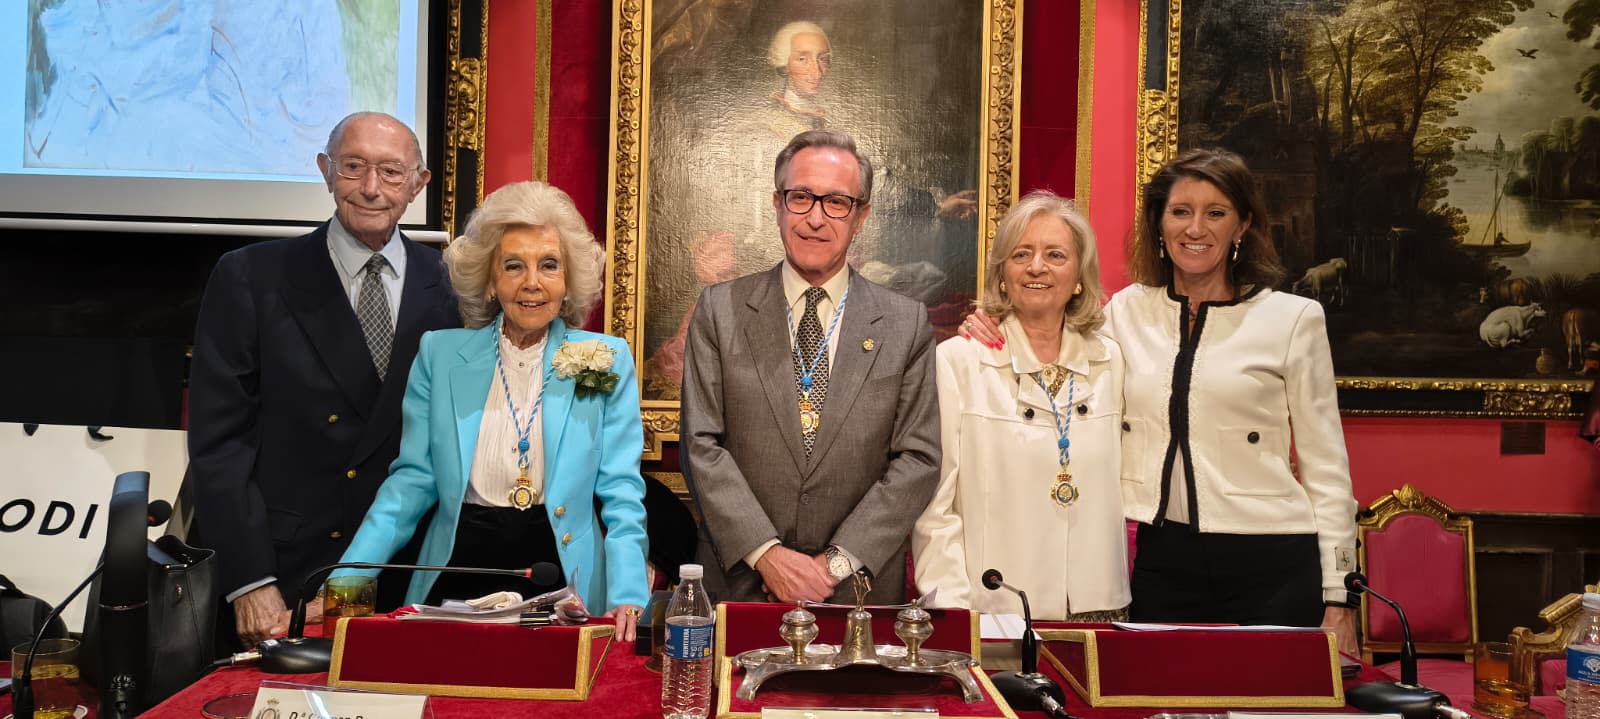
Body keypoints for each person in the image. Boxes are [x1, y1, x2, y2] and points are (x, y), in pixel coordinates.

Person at [961, 149, 1359, 653]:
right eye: (1180, 211)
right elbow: (1050, 335)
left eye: (1216, 213)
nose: (1196, 228)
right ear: (1159, 224)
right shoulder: (1123, 313)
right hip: (1164, 561)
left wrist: (1340, 597)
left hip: (1274, 560)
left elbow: (1328, 468)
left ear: (1242, 225)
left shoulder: (1293, 319)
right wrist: (992, 321)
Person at [189, 112, 459, 647]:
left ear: (419, 184)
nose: (371, 188)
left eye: (391, 172)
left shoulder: (454, 286)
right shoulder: (251, 276)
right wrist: (250, 580)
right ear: (325, 170)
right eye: (353, 166)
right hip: (285, 575)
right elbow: (219, 443)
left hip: (406, 574)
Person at [335, 181, 649, 640]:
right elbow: (410, 484)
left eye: (549, 265)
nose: (532, 283)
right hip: (460, 566)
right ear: (488, 279)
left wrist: (629, 597)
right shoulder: (440, 355)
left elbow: (621, 492)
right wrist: (345, 582)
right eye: (513, 265)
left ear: (568, 279)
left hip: (563, 577)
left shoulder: (608, 358)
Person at [681, 129, 941, 605]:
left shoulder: (905, 324)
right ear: (777, 204)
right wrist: (768, 556)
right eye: (801, 197)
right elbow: (701, 444)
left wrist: (833, 565)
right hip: (741, 586)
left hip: (855, 593)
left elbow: (917, 460)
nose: (815, 219)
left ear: (861, 217)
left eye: (837, 202)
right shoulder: (720, 311)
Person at [912, 192, 1129, 620]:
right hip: (997, 610)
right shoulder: (959, 361)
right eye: (1021, 254)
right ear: (1002, 272)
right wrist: (955, 609)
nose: (1036, 267)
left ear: (1080, 274)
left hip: (1097, 606)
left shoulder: (1111, 360)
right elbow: (935, 507)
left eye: (1055, 255)